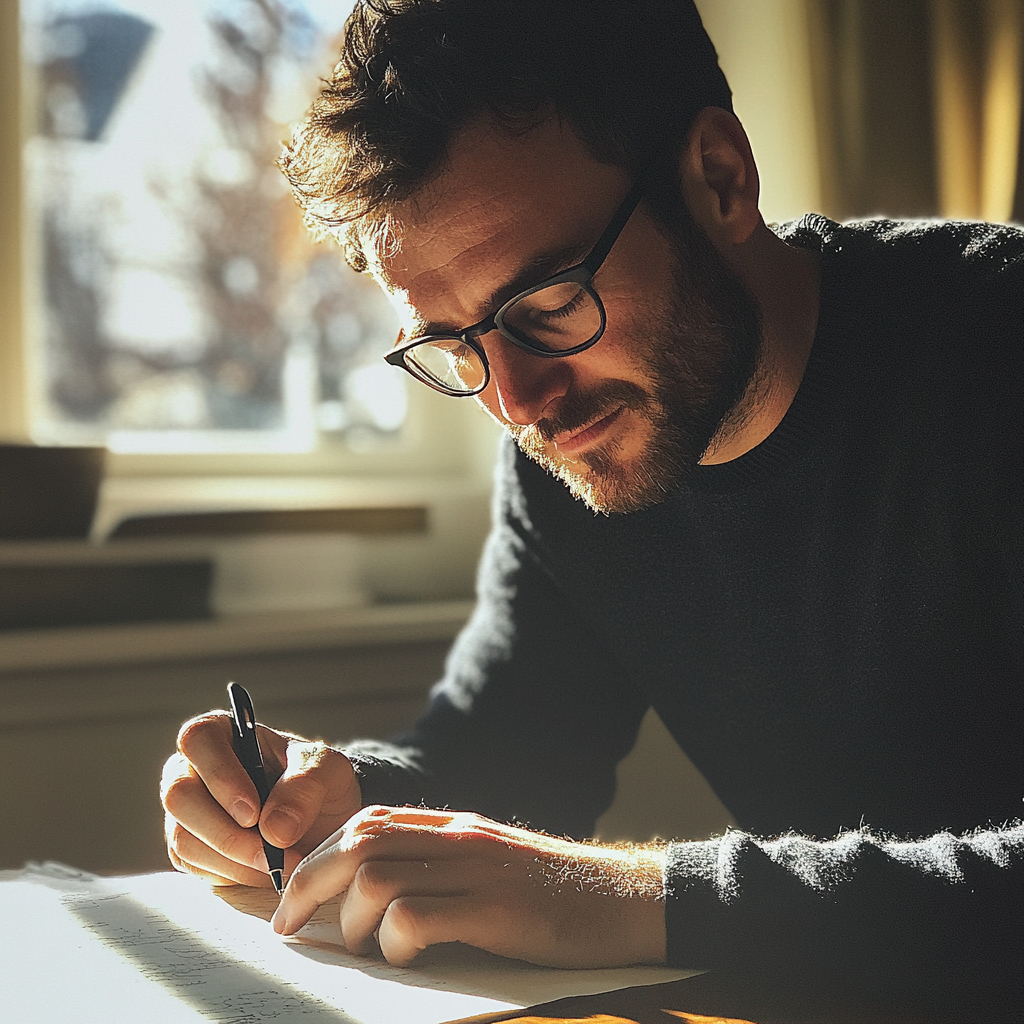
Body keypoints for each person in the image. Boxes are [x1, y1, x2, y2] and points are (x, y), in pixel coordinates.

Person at [161, 1, 1022, 1019]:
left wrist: (630, 898)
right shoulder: (567, 460)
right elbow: (512, 745)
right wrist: (343, 795)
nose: (517, 403)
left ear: (718, 178)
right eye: (453, 345)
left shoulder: (991, 351)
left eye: (549, 306)